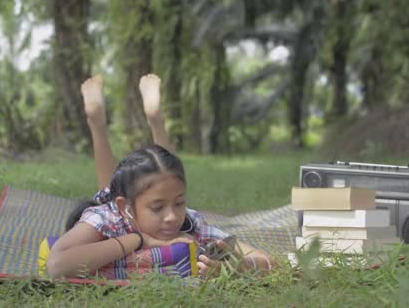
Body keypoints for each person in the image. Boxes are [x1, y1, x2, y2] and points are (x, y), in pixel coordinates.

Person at [46, 74, 273, 278]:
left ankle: (155, 117)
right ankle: (97, 121)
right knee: (109, 188)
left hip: (134, 201)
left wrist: (231, 267)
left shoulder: (189, 224)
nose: (172, 217)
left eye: (180, 202)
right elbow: (56, 265)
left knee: (164, 175)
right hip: (118, 210)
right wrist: (139, 240)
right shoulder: (107, 218)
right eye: (157, 208)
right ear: (126, 207)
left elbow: (268, 261)